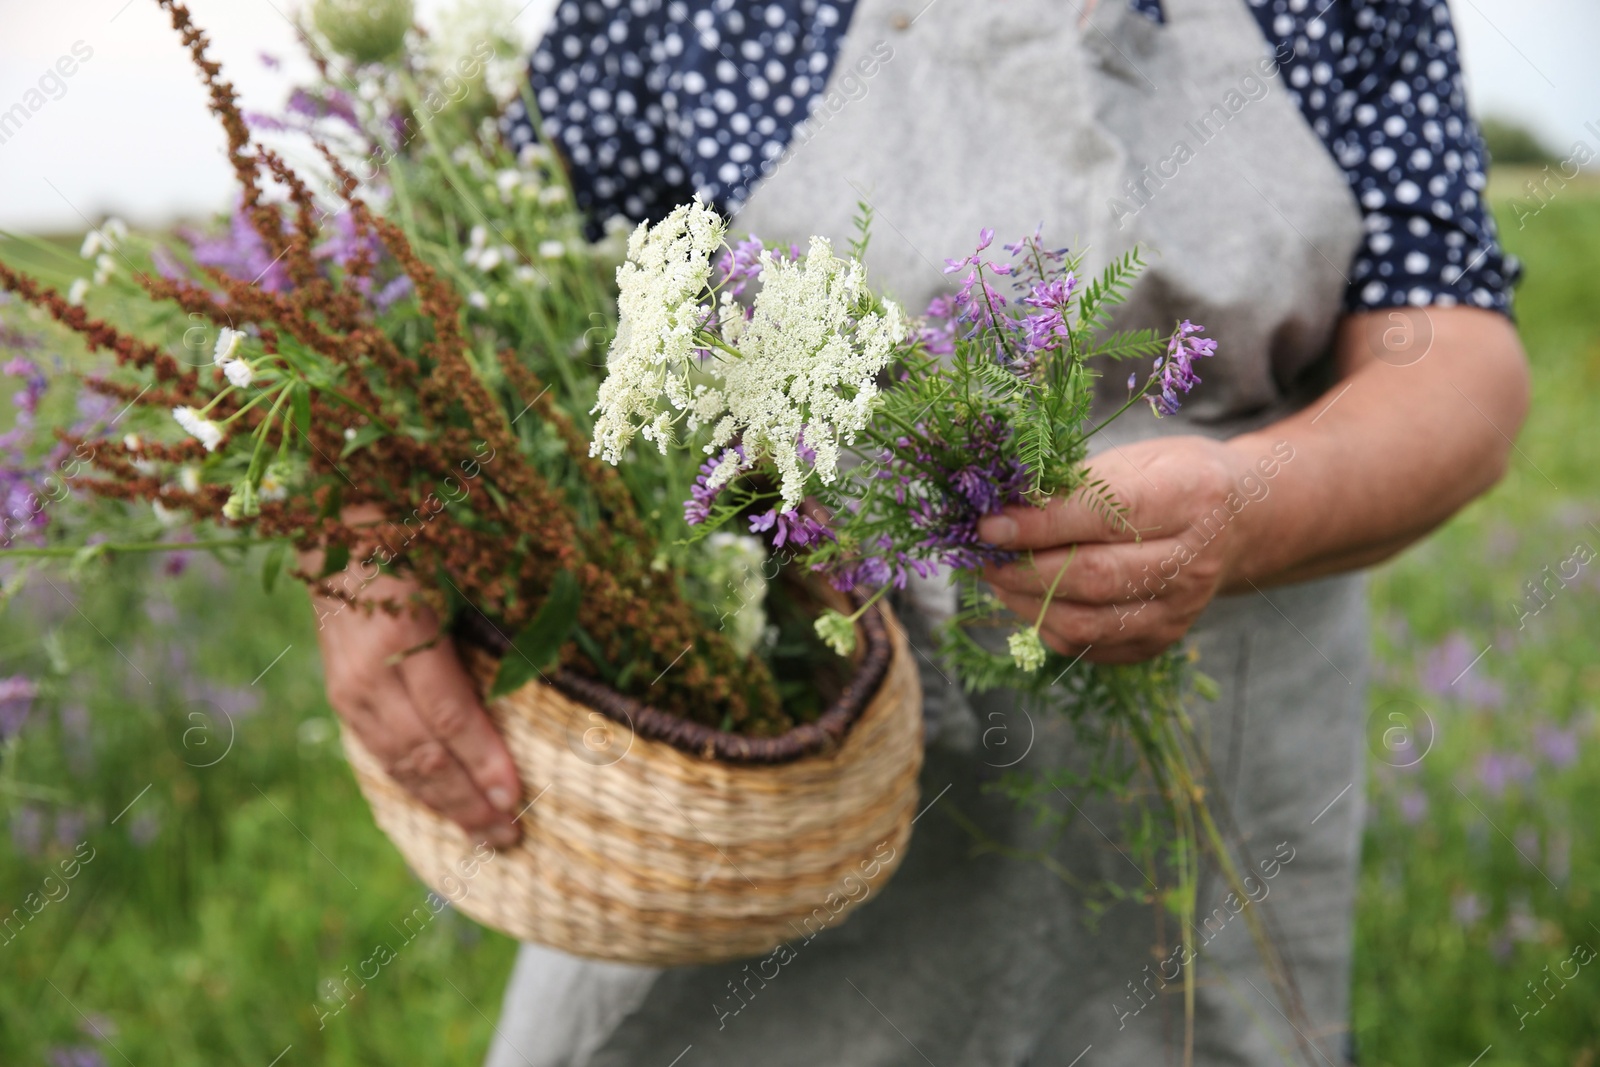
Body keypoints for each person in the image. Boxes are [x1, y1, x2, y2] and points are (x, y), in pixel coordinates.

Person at [310, 0, 1528, 1062]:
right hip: (767, 765)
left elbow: (1455, 355)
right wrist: (365, 545)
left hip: (1198, 768)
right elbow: (469, 298)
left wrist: (1244, 509)